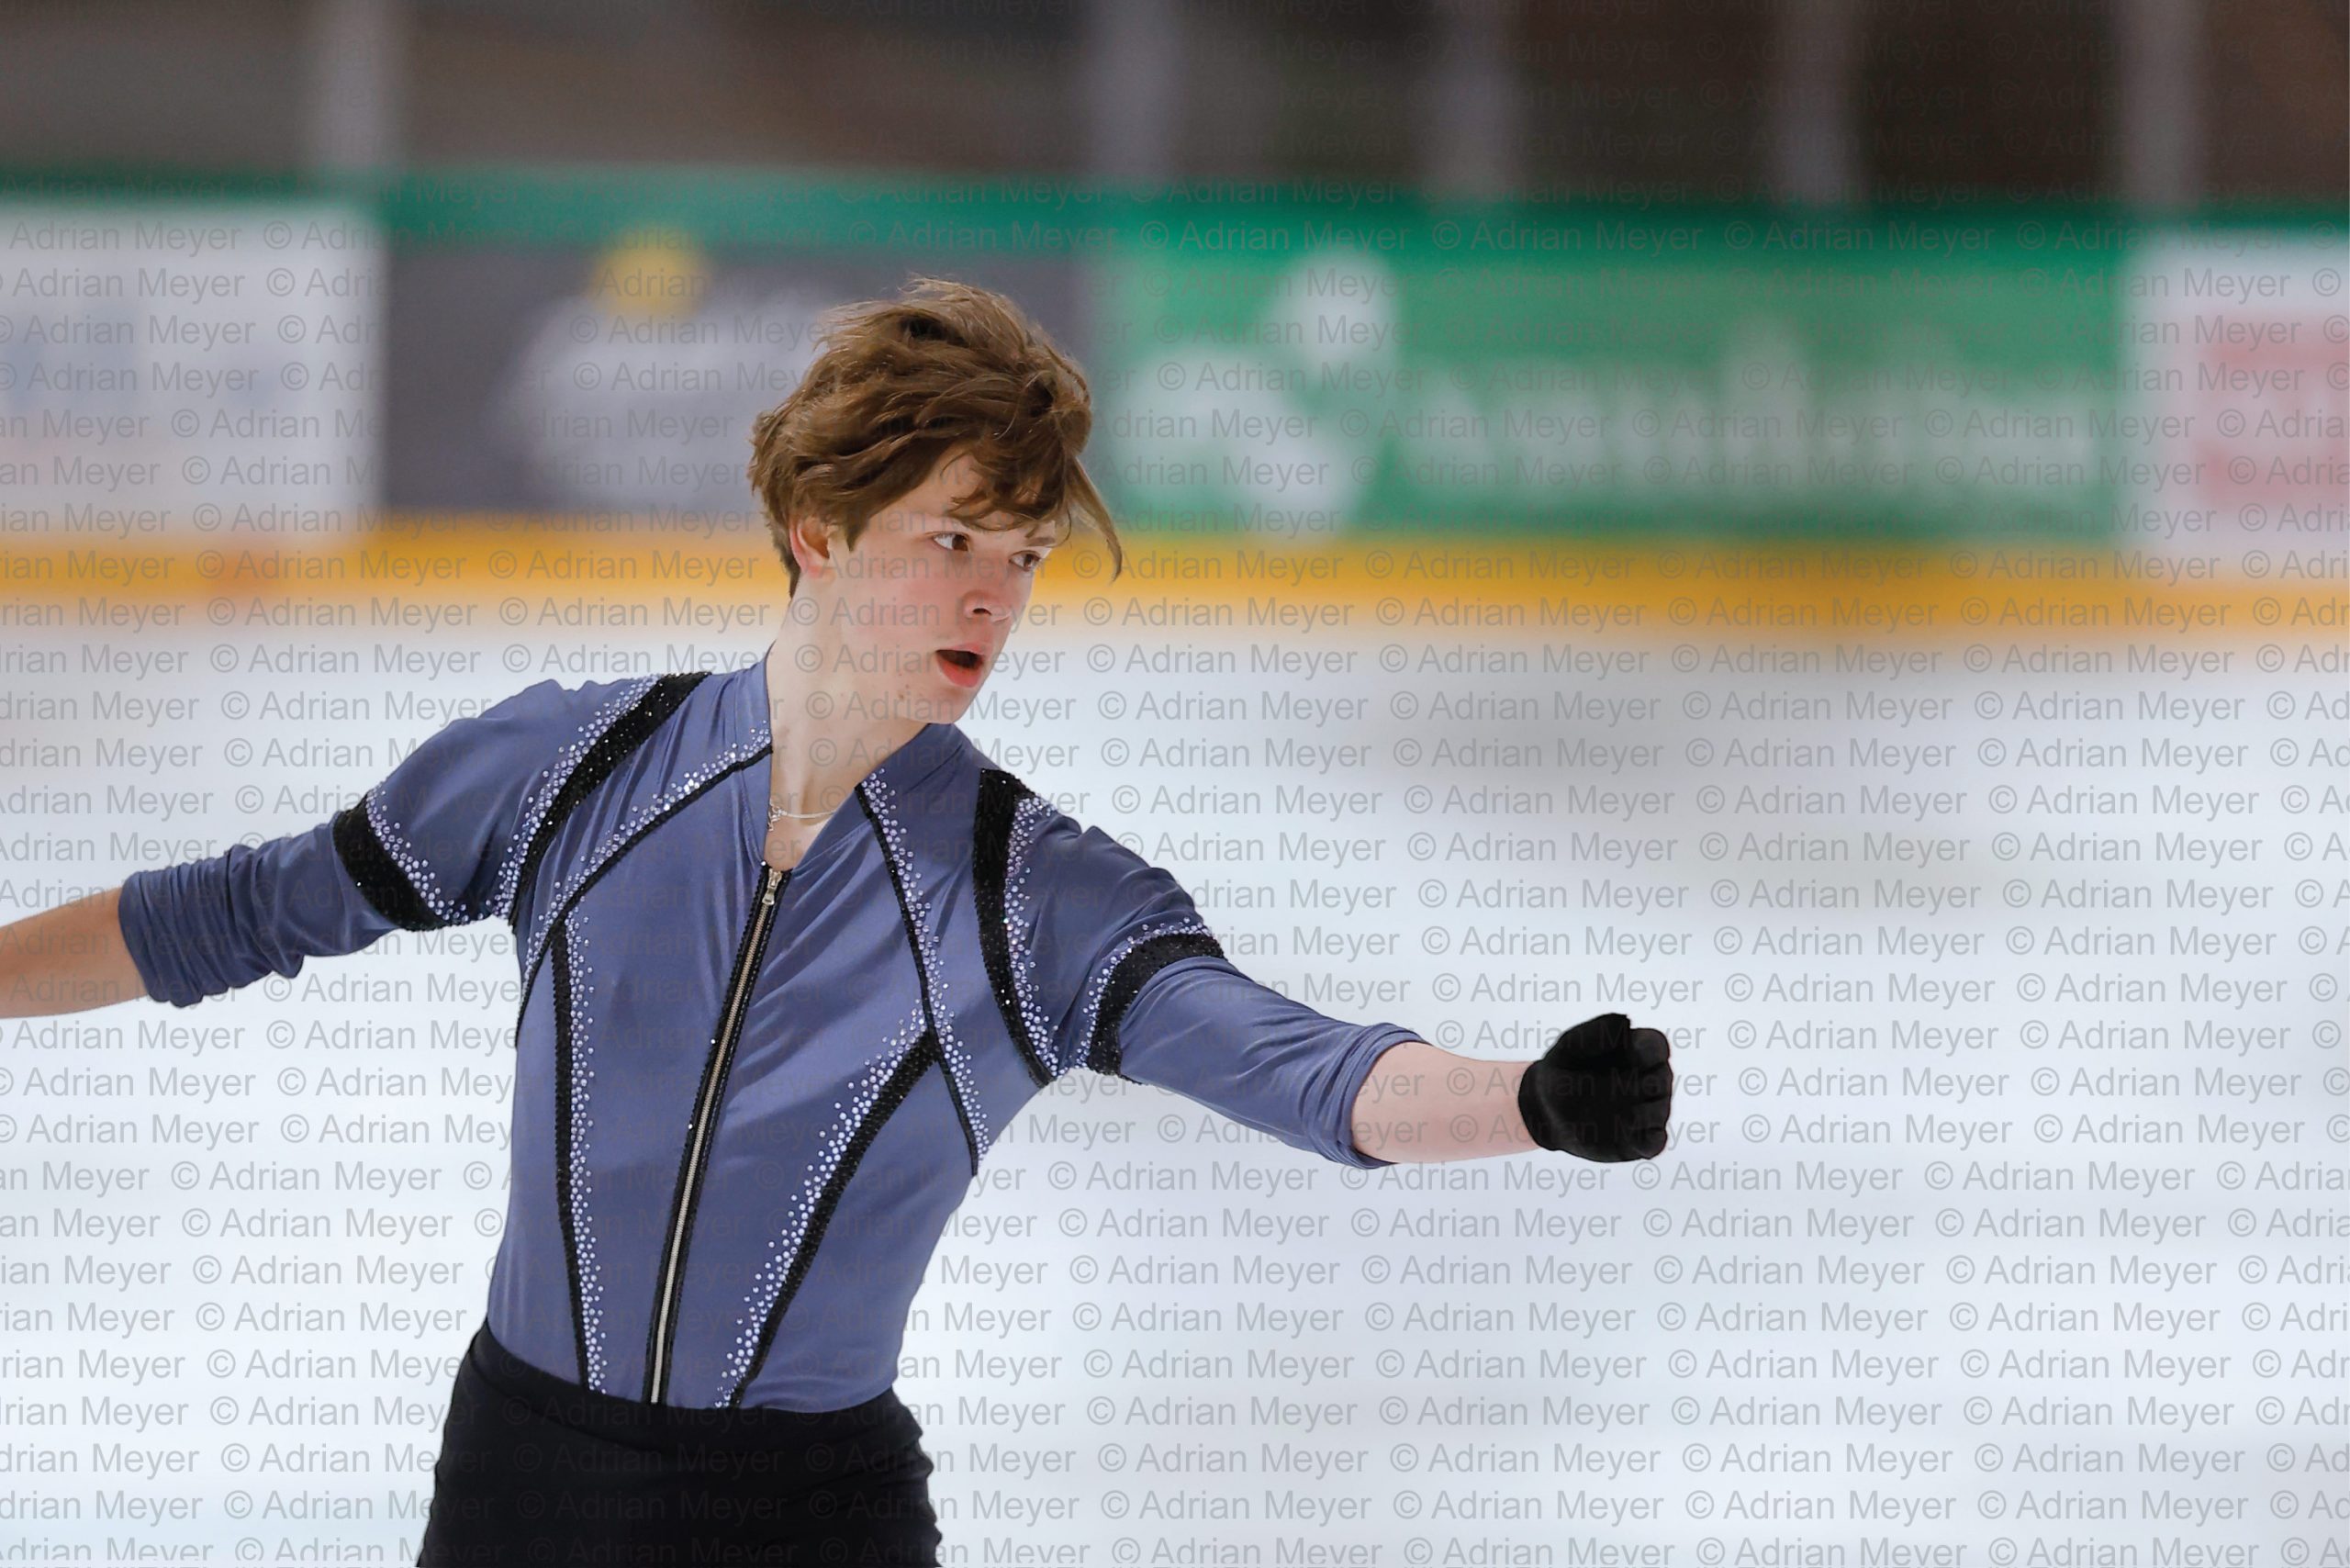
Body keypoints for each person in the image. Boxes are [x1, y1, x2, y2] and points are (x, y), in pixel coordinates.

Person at [0, 276, 1672, 1565]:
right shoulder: (572, 768)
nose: (993, 593)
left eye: (1022, 555)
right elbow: (240, 912)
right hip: (517, 1487)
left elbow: (1307, 1071)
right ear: (818, 530)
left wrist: (1530, 1100)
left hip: (804, 1521)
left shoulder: (1032, 893)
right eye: (953, 538)